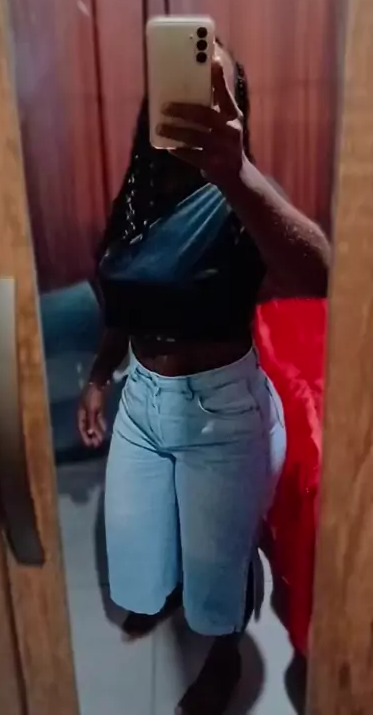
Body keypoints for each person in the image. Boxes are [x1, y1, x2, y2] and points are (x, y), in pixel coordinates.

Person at [78, 43, 330, 715]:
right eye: (184, 82)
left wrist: (237, 173)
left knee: (217, 575)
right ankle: (160, 594)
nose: (196, 96)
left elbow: (320, 277)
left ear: (235, 107)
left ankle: (223, 657)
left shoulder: (242, 195)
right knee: (136, 554)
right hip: (142, 402)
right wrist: (100, 374)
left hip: (222, 412)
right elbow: (123, 298)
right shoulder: (139, 194)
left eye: (216, 87)